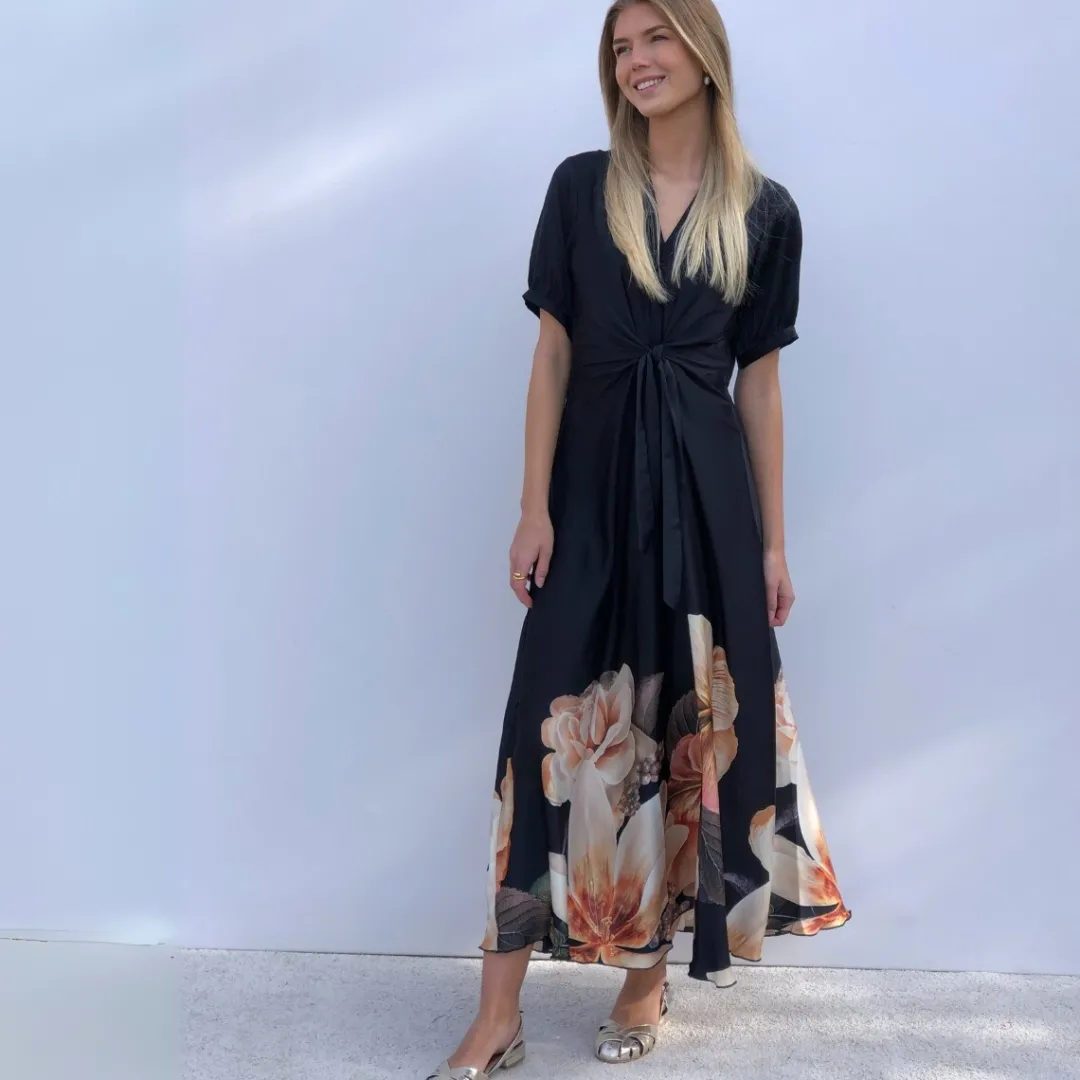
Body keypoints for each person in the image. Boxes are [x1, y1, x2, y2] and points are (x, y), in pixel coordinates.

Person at [427, 1, 850, 1075]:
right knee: (543, 739)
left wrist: (773, 545)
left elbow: (760, 389)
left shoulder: (765, 212)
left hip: (707, 507)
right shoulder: (581, 189)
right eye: (621, 48)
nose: (637, 61)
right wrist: (534, 508)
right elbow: (552, 358)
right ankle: (496, 1015)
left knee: (686, 739)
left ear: (704, 55)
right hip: (589, 497)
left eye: (657, 39)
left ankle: (647, 979)